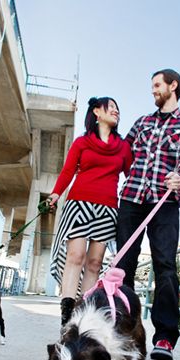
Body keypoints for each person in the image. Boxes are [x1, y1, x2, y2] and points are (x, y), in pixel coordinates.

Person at [115, 69, 180, 360]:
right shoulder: (141, 123)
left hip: (164, 201)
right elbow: (121, 153)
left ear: (172, 86)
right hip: (132, 198)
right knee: (123, 264)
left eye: (157, 85)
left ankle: (164, 336)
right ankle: (121, 329)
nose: (152, 90)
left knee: (165, 264)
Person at [48, 97, 133, 327]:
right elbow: (67, 171)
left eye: (118, 109)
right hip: (79, 204)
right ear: (97, 111)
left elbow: (132, 176)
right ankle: (67, 315)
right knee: (75, 257)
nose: (116, 111)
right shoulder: (82, 142)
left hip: (107, 209)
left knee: (95, 263)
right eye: (111, 107)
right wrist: (56, 194)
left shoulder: (124, 147)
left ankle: (83, 314)